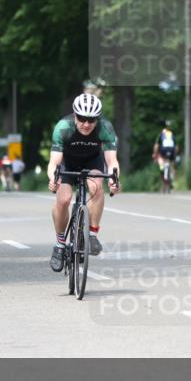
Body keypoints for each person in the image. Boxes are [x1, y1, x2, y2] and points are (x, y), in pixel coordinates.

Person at [46, 93, 121, 272]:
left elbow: (112, 162)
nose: (86, 124)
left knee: (96, 187)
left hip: (92, 161)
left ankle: (92, 234)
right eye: (82, 119)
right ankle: (60, 244)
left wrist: (114, 180)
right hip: (68, 163)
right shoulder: (63, 127)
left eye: (91, 120)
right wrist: (53, 179)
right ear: (74, 115)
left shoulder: (105, 128)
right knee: (63, 199)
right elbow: (54, 162)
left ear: (98, 119)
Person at [152, 121, 178, 187]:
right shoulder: (172, 134)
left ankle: (162, 169)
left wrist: (155, 154)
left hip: (163, 150)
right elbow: (176, 147)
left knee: (161, 160)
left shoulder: (161, 135)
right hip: (172, 150)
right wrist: (175, 155)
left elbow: (156, 146)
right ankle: (172, 178)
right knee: (172, 164)